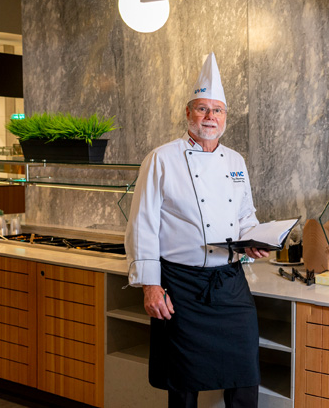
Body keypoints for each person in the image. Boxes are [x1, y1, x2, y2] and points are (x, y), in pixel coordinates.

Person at [125, 53, 271, 408]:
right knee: (183, 382)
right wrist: (151, 285)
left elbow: (245, 215)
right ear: (188, 114)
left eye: (217, 110)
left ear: (225, 118)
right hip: (180, 285)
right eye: (202, 109)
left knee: (244, 373)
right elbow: (142, 223)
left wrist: (255, 240)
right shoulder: (161, 158)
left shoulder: (236, 161)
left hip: (229, 284)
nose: (210, 117)